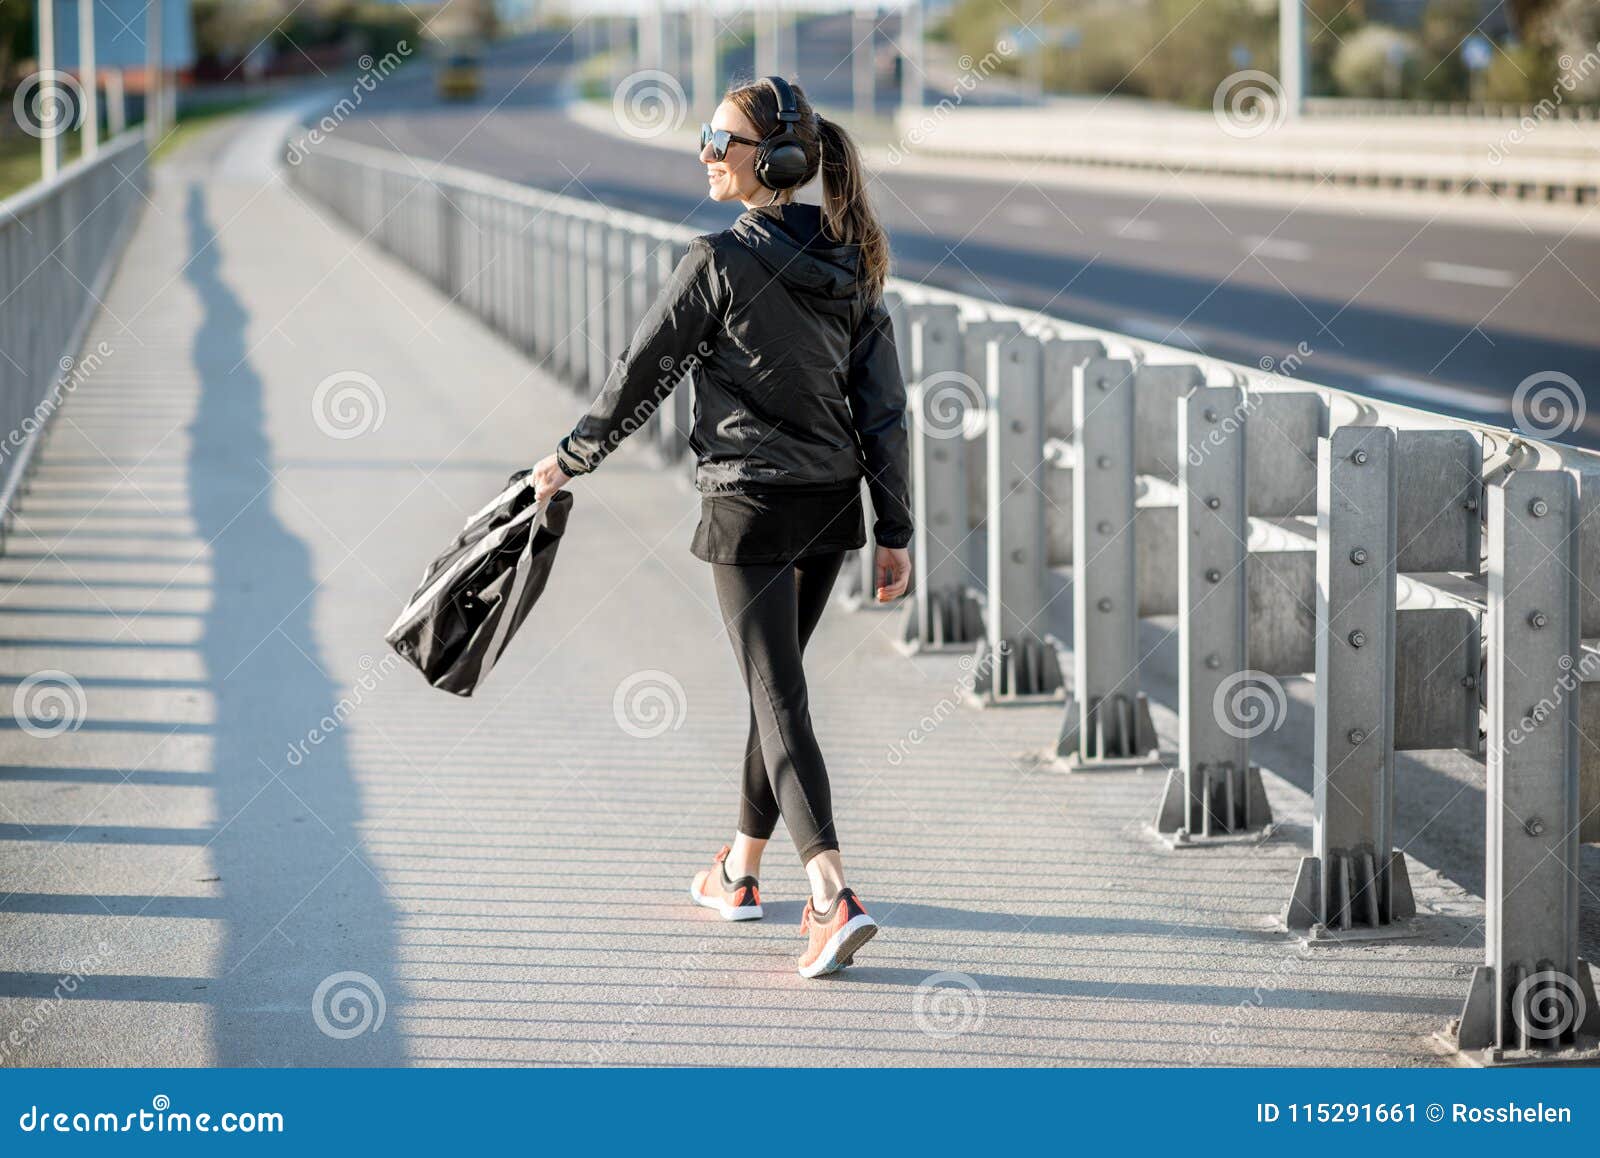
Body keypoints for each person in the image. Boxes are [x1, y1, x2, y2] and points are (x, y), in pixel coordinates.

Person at [529, 76, 912, 978]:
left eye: (721, 140)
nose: (705, 151)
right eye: (705, 135)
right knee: (772, 689)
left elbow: (638, 374)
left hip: (749, 506)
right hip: (829, 507)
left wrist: (570, 459)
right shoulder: (852, 261)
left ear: (773, 161)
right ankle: (738, 872)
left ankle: (830, 896)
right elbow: (884, 410)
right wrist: (892, 525)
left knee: (777, 695)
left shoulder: (717, 262)